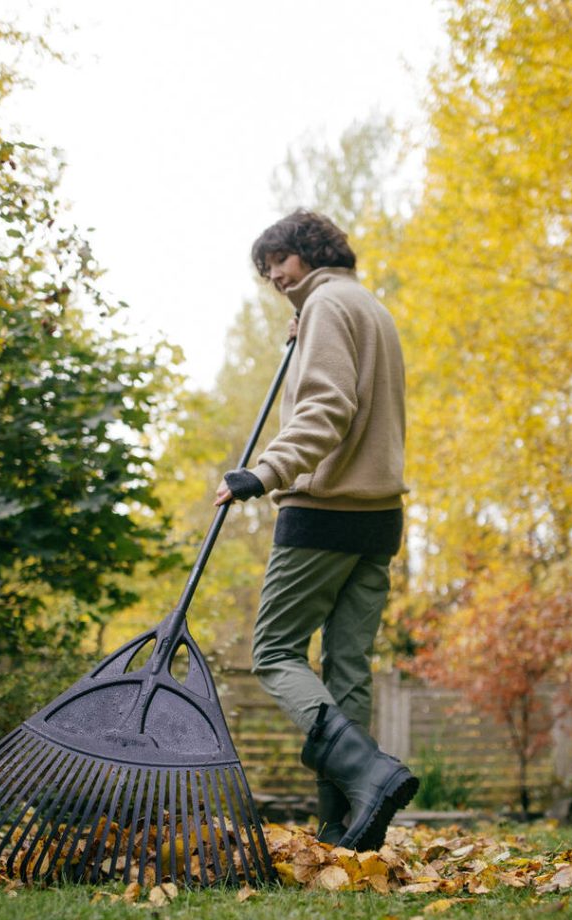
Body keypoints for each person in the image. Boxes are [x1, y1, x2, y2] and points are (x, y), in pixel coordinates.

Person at [214, 209, 418, 851]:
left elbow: (329, 406)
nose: (274, 276)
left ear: (309, 251)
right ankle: (347, 825)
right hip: (378, 516)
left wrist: (264, 472)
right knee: (347, 667)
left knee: (274, 652)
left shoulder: (328, 306)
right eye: (266, 270)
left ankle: (367, 771)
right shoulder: (369, 308)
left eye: (279, 261)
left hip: (323, 510)